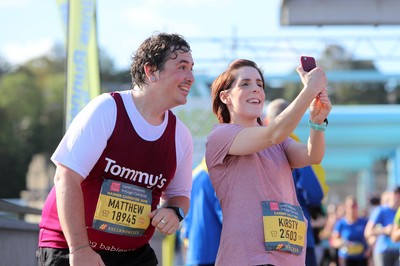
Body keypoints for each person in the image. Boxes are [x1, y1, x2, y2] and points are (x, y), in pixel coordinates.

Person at [37, 32, 195, 266]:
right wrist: (79, 248)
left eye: (192, 68)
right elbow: (65, 177)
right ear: (151, 71)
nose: (191, 77)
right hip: (71, 248)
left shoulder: (180, 135)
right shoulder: (107, 109)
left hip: (133, 254)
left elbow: (179, 196)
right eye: (182, 67)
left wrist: (174, 212)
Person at [205, 58, 332, 265]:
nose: (255, 89)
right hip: (247, 258)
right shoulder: (220, 136)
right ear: (225, 96)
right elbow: (272, 133)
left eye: (259, 84)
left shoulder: (280, 142)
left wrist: (317, 123)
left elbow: (312, 155)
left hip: (288, 257)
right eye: (245, 83)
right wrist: (310, 90)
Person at [265, 98, 329, 266]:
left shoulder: (256, 148)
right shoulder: (297, 150)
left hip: (265, 237)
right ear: (294, 119)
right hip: (297, 234)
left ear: (266, 121)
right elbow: (315, 194)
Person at [181, 158, 223, 266]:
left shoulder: (193, 176)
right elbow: (224, 216)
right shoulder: (216, 178)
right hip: (214, 251)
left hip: (194, 250)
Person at [364, 187, 400, 266]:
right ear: (390, 196)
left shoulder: (399, 211)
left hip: (398, 252)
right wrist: (385, 230)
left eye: (399, 196)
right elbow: (368, 231)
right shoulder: (380, 210)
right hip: (383, 252)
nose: (397, 199)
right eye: (395, 195)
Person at [330, 196, 369, 266]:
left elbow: (370, 237)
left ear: (357, 207)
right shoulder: (341, 223)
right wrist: (341, 243)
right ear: (346, 208)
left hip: (361, 258)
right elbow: (333, 241)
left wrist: (369, 249)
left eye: (354, 206)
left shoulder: (364, 222)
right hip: (346, 258)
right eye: (349, 206)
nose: (352, 209)